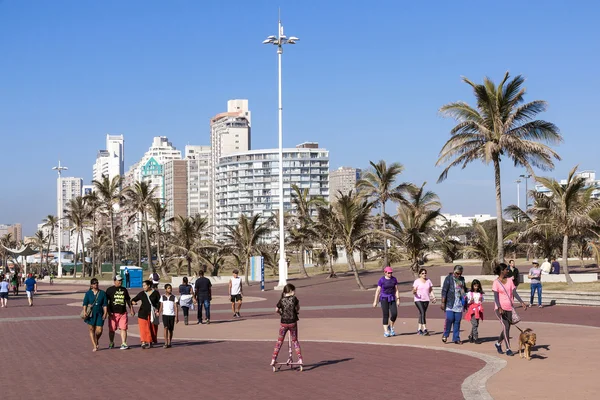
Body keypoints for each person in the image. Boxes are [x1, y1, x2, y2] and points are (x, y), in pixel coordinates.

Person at [493, 263, 528, 356]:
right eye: (506, 269)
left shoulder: (509, 280)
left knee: (506, 327)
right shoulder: (496, 282)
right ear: (502, 271)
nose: (508, 271)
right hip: (500, 309)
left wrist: (521, 302)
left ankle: (498, 344)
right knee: (506, 327)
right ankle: (508, 349)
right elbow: (496, 297)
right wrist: (499, 307)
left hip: (509, 308)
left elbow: (514, 292)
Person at [270, 283, 303, 366]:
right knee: (295, 340)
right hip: (292, 322)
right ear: (291, 291)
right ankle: (299, 358)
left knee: (279, 341)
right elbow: (298, 307)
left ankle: (274, 358)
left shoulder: (282, 300)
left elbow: (276, 309)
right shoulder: (294, 299)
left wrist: (281, 313)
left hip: (283, 323)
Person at [105, 275, 134, 350]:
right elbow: (106, 302)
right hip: (113, 313)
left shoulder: (124, 290)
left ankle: (124, 343)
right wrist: (108, 311)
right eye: (118, 280)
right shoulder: (109, 290)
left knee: (123, 328)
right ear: (114, 281)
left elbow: (128, 300)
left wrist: (131, 309)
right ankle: (111, 342)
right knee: (112, 329)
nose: (120, 282)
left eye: (121, 280)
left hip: (123, 313)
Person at [131, 280, 161, 349]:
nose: (143, 287)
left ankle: (150, 341)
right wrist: (133, 302)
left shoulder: (156, 293)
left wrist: (157, 310)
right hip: (142, 314)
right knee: (143, 328)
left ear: (149, 286)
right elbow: (133, 299)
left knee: (152, 328)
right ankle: (143, 342)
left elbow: (159, 302)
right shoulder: (142, 293)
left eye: (144, 285)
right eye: (143, 286)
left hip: (152, 313)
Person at [441, 265, 466, 345]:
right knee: (449, 319)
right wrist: (443, 302)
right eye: (457, 273)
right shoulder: (449, 278)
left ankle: (456, 338)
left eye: (460, 274)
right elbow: (444, 290)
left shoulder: (462, 279)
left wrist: (465, 298)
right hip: (450, 303)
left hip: (459, 303)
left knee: (457, 321)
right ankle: (445, 334)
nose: (458, 275)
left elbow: (463, 290)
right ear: (454, 271)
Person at [82, 278, 108, 352]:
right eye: (93, 283)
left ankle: (96, 339)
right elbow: (85, 303)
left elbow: (105, 304)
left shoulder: (102, 293)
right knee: (91, 329)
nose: (95, 284)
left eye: (96, 283)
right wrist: (84, 311)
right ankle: (94, 345)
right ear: (91, 285)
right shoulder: (88, 293)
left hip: (100, 313)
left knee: (99, 330)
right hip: (91, 314)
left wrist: (105, 313)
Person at [372, 266, 400, 337]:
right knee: (386, 314)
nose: (390, 274)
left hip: (392, 298)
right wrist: (375, 301)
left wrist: (398, 299)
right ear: (385, 272)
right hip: (384, 298)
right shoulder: (382, 280)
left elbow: (396, 290)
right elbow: (378, 290)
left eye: (391, 273)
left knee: (394, 313)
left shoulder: (394, 279)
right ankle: (386, 331)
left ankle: (390, 327)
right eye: (388, 273)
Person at [412, 268, 436, 336]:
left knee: (421, 313)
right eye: (422, 273)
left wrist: (433, 297)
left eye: (425, 273)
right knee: (422, 312)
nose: (424, 274)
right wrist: (414, 291)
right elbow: (413, 291)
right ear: (420, 274)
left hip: (426, 299)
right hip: (418, 299)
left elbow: (430, 290)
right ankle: (425, 329)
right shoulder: (417, 281)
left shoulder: (428, 281)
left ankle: (419, 329)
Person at [159, 284, 179, 348]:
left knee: (170, 329)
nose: (170, 289)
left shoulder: (174, 297)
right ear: (165, 289)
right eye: (168, 288)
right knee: (165, 328)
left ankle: (170, 341)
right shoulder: (162, 297)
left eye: (170, 288)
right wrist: (158, 313)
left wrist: (177, 317)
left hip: (172, 315)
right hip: (165, 315)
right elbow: (161, 306)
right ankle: (165, 342)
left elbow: (176, 307)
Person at [465, 279, 484, 344]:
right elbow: (467, 302)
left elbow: (481, 301)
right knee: (475, 324)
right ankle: (476, 338)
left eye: (477, 286)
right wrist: (471, 301)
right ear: (472, 286)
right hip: (472, 310)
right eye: (475, 286)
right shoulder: (470, 293)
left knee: (476, 324)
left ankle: (471, 336)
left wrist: (480, 300)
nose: (476, 287)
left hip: (478, 310)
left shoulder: (480, 294)